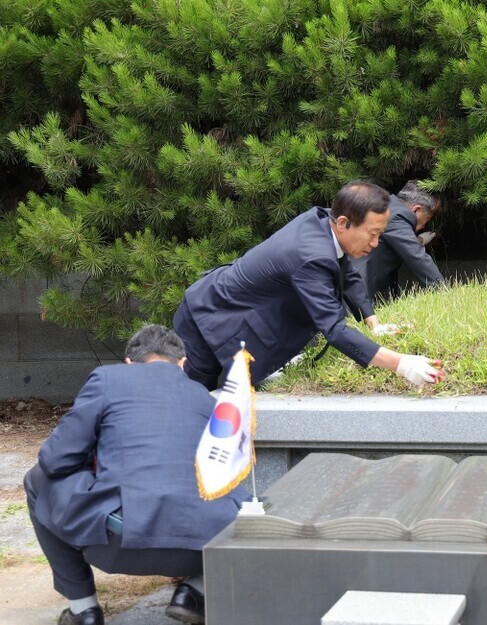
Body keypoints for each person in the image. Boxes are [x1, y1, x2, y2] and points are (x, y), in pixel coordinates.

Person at [24, 324, 250, 625]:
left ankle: (83, 609)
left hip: (119, 541)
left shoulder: (107, 378)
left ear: (129, 362)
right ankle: (195, 591)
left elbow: (56, 460)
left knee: (36, 480)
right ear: (182, 363)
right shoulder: (209, 400)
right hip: (205, 548)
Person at [173, 180, 443, 390]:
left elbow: (347, 273)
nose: (375, 244)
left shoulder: (325, 222)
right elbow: (334, 330)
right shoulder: (311, 257)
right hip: (208, 318)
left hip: (229, 314)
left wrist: (373, 323)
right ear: (344, 223)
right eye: (372, 234)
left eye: (379, 235)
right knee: (191, 397)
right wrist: (401, 364)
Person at [355, 180, 446, 302]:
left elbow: (390, 243)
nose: (425, 225)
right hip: (358, 291)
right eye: (428, 218)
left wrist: (420, 240)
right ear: (416, 210)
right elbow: (417, 257)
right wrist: (442, 291)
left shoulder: (388, 206)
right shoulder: (397, 217)